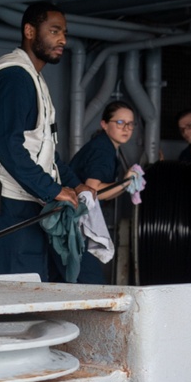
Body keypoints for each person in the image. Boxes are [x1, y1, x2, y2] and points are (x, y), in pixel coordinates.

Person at [0, 1, 91, 281]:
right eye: (54, 31)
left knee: (34, 286)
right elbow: (7, 146)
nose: (62, 39)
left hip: (26, 202)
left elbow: (44, 151)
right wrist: (52, 190)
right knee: (20, 292)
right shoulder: (14, 76)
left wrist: (75, 183)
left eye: (64, 33)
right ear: (29, 31)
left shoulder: (33, 77)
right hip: (7, 204)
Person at [68, 100, 138, 283]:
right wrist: (126, 182)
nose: (126, 128)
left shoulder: (105, 146)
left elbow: (101, 192)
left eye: (130, 124)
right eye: (120, 123)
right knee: (91, 282)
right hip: (72, 225)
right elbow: (93, 190)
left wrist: (125, 184)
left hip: (74, 224)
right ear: (104, 124)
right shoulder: (103, 150)